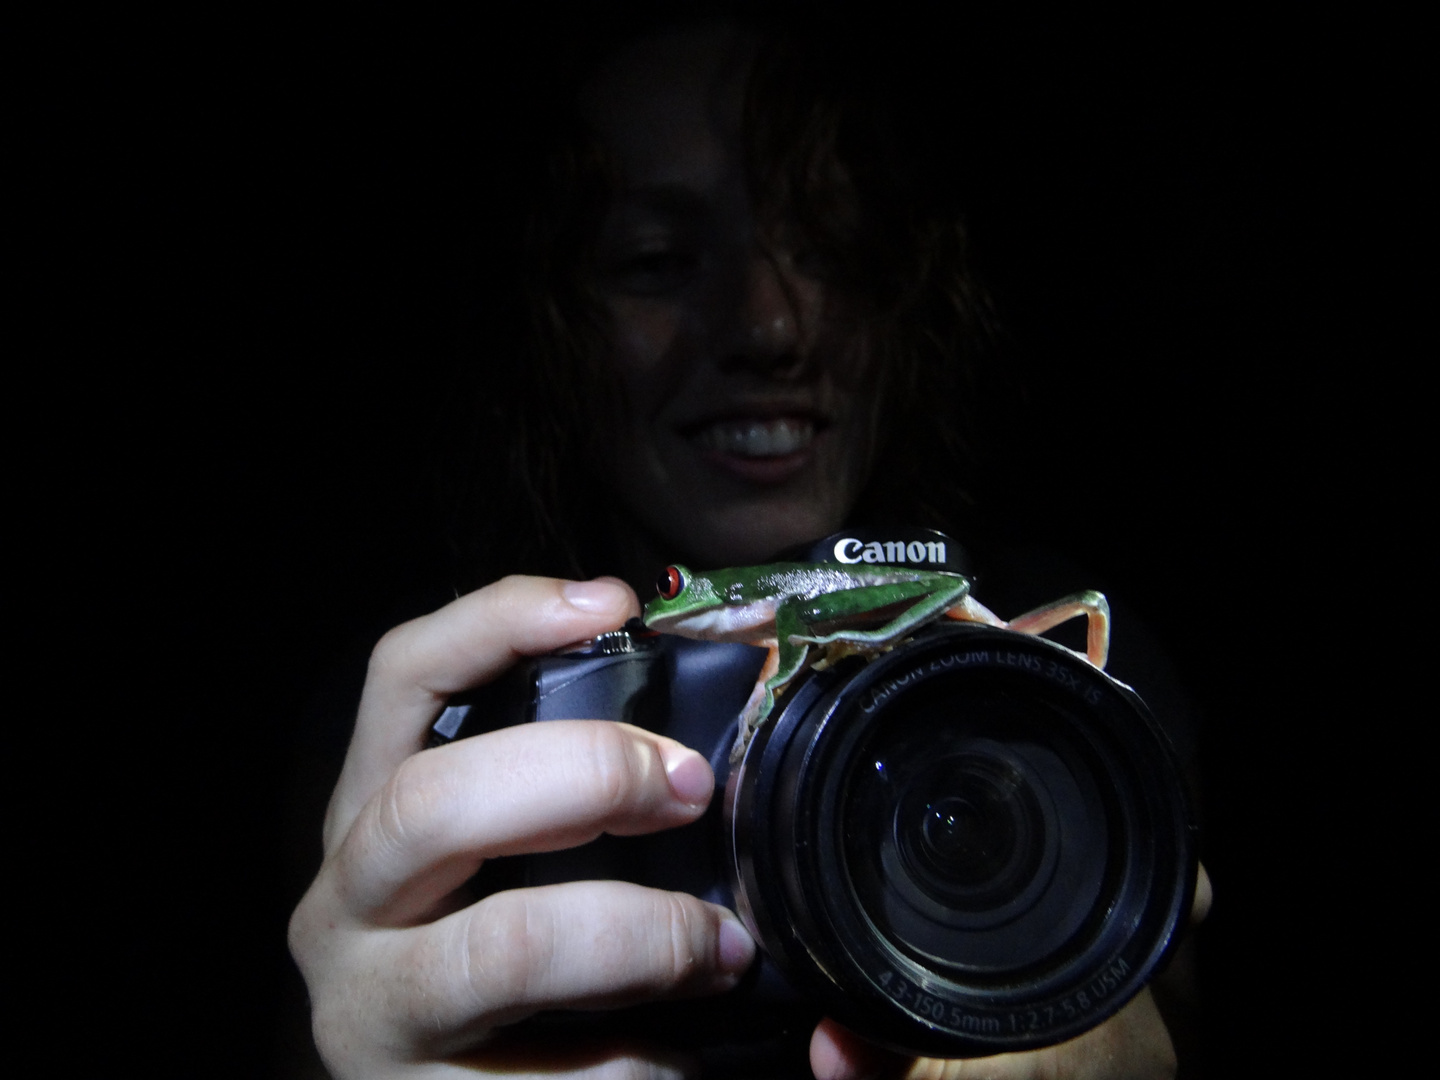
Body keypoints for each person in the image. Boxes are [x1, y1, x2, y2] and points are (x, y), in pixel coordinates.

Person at [289, 12, 1210, 1079]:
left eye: (831, 247)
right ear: (547, 324)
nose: (770, 326)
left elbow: (1168, 979)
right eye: (657, 260)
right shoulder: (439, 715)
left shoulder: (1071, 666)